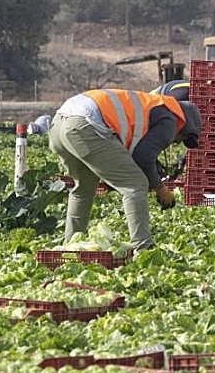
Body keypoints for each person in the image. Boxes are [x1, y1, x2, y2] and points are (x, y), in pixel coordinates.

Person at [49, 88, 202, 251]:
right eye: (182, 139)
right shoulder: (171, 121)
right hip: (85, 125)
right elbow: (142, 157)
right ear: (185, 127)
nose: (176, 143)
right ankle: (143, 247)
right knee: (135, 184)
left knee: (84, 188)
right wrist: (160, 188)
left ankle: (70, 246)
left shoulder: (156, 105)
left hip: (59, 124)